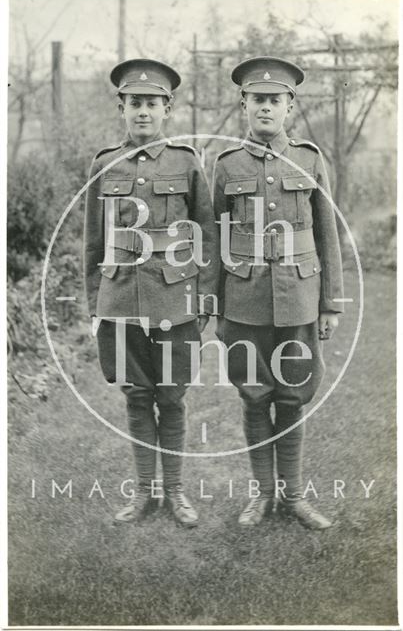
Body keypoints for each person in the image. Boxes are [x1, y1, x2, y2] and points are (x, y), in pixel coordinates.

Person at [84, 58, 219, 527]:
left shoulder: (186, 161)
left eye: (152, 104)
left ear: (168, 109)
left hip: (174, 298)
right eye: (134, 103)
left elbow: (206, 232)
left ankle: (177, 493)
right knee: (136, 397)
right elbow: (93, 241)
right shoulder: (105, 165)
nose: (143, 112)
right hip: (119, 299)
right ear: (121, 108)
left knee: (172, 397)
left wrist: (204, 295)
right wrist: (92, 304)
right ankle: (145, 492)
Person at [213, 57, 344, 529]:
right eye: (257, 100)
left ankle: (291, 496)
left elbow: (328, 235)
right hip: (244, 301)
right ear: (243, 104)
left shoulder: (309, 159)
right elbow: (213, 239)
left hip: (299, 300)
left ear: (290, 105)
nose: (265, 108)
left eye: (275, 100)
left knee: (291, 396)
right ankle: (262, 496)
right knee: (253, 395)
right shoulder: (225, 164)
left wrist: (330, 302)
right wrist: (214, 306)